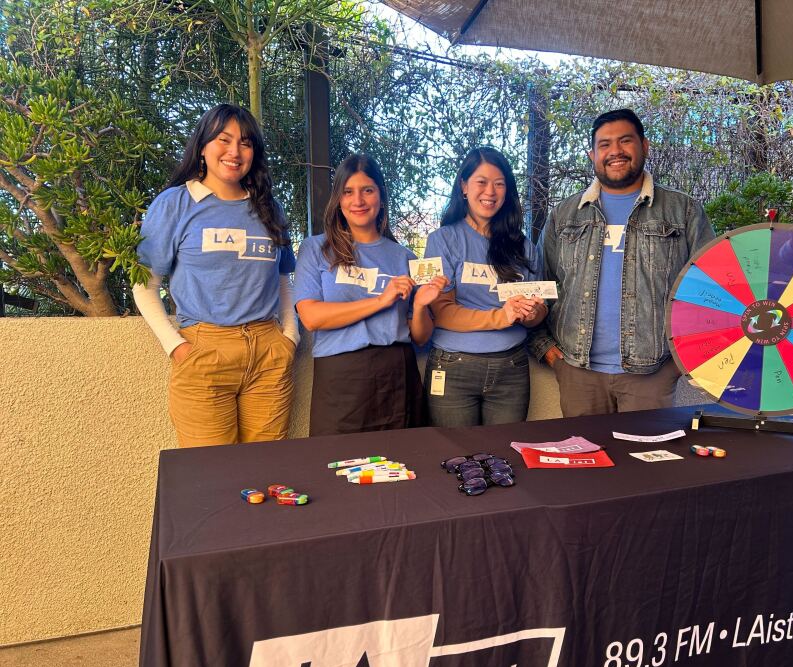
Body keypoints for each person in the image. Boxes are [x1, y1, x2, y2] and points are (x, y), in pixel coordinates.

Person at [529, 108, 715, 416]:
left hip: (652, 376)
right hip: (578, 372)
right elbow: (541, 286)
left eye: (625, 141)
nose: (615, 151)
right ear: (593, 154)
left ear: (644, 146)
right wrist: (547, 351)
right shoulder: (564, 215)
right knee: (585, 461)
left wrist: (680, 361)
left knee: (647, 463)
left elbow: (710, 290)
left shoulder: (683, 212)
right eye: (605, 144)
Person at [134, 103, 299, 448]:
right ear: (203, 146)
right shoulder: (176, 203)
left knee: (266, 472)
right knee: (210, 478)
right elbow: (145, 285)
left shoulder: (268, 206)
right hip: (204, 351)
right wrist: (177, 348)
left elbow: (284, 279)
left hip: (268, 351)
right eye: (224, 140)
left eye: (246, 142)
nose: (235, 152)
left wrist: (289, 338)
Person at [293, 154, 447, 436]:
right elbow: (311, 317)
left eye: (368, 190)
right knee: (337, 464)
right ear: (338, 199)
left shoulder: (405, 257)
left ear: (381, 196)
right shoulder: (316, 249)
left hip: (397, 371)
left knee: (403, 465)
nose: (358, 201)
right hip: (340, 374)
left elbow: (421, 337)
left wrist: (423, 306)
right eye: (348, 192)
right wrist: (380, 301)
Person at [424, 147, 546, 427]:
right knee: (454, 459)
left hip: (512, 368)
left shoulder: (524, 246)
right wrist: (501, 316)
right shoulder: (442, 240)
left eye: (499, 183)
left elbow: (538, 314)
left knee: (504, 458)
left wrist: (532, 314)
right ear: (464, 186)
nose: (490, 192)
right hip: (453, 367)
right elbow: (442, 312)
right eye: (481, 182)